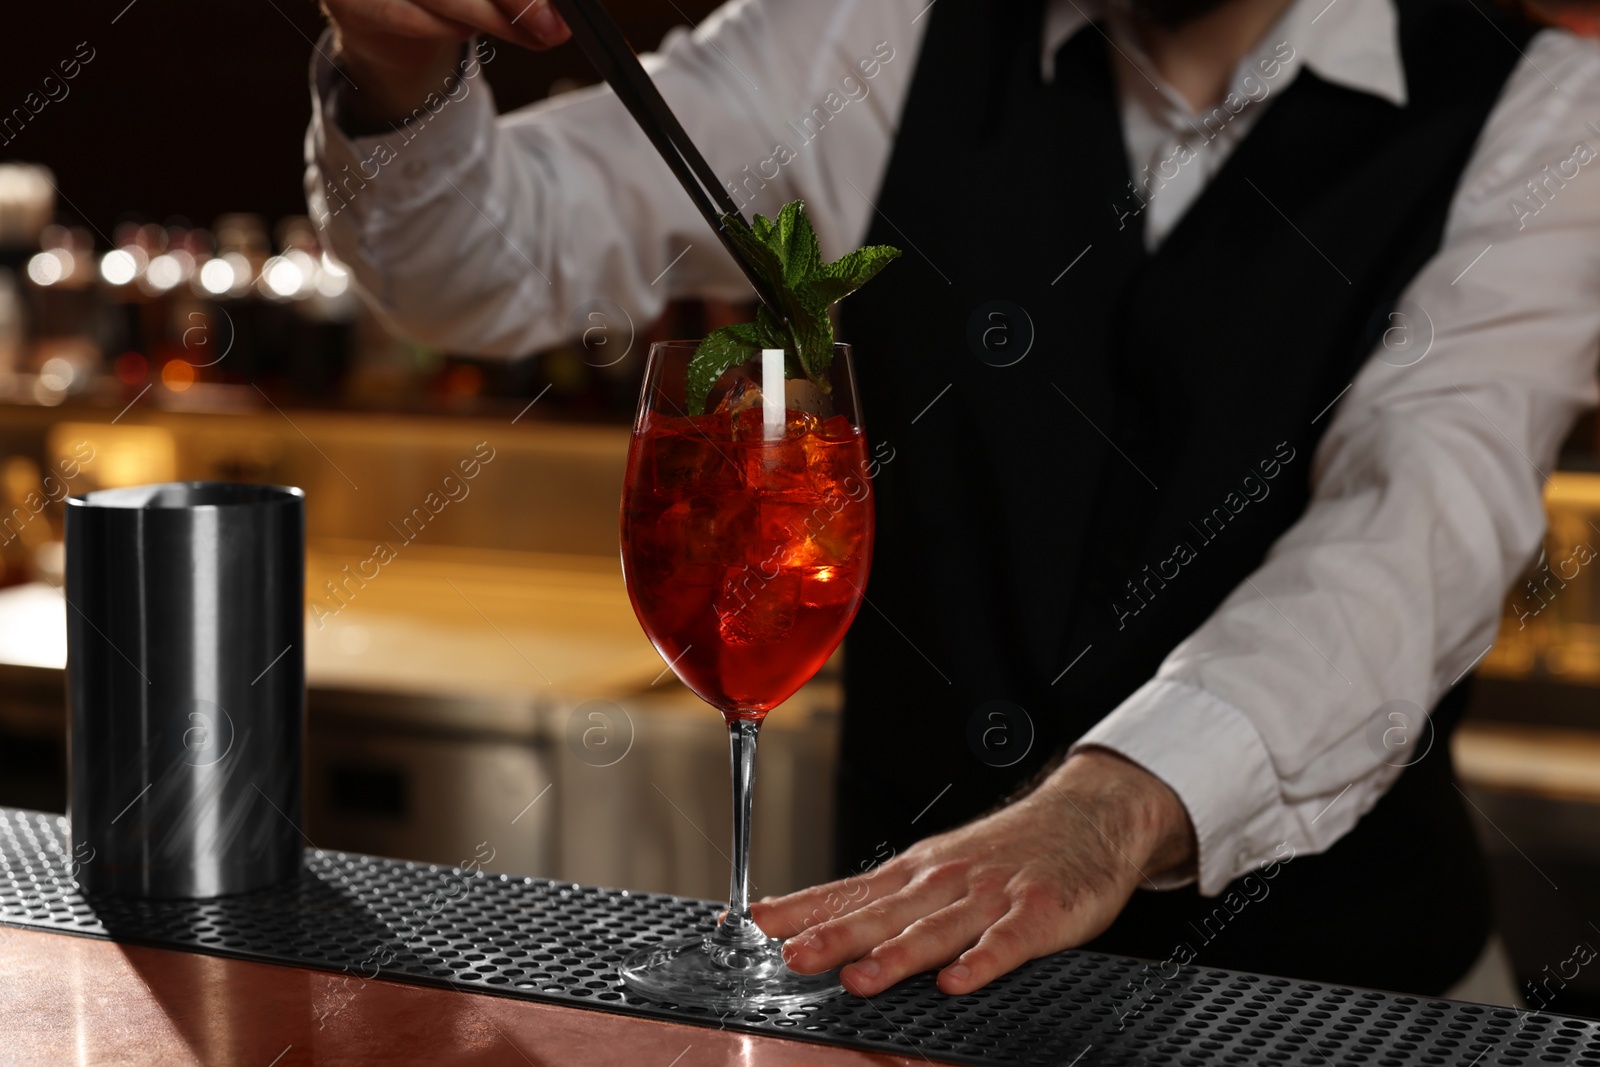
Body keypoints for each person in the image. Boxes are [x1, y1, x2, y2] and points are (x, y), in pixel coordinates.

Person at [306, 0, 1600, 1004]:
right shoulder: (879, 30)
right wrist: (392, 62)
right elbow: (482, 265)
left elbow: (1416, 527)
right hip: (914, 1008)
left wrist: (1109, 810)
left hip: (1351, 1012)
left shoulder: (1545, 111)